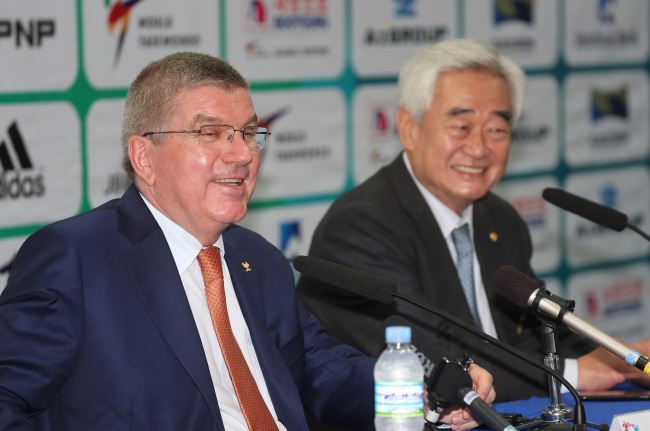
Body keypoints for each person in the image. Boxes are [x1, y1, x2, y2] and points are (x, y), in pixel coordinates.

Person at [0, 51, 495, 430]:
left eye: (249, 133)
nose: (241, 154)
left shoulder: (258, 258)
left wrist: (423, 389)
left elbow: (322, 371)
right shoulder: (77, 257)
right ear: (144, 156)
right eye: (211, 133)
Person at [297, 39, 650, 403]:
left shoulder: (498, 217)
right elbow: (436, 362)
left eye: (497, 129)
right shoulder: (360, 225)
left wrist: (624, 356)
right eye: (461, 126)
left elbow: (534, 331)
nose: (480, 148)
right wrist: (578, 373)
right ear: (409, 128)